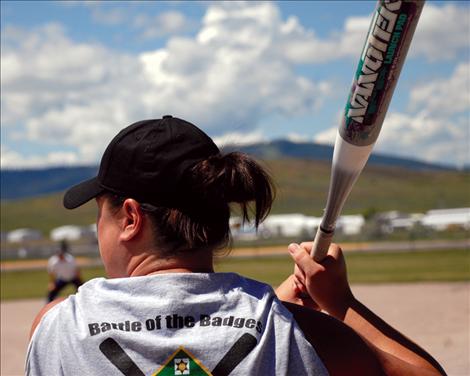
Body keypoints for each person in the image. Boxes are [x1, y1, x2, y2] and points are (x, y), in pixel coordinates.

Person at [26, 116, 445, 375]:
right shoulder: (300, 333)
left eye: (100, 212)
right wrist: (340, 304)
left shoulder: (57, 326)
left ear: (131, 218)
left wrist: (274, 311)